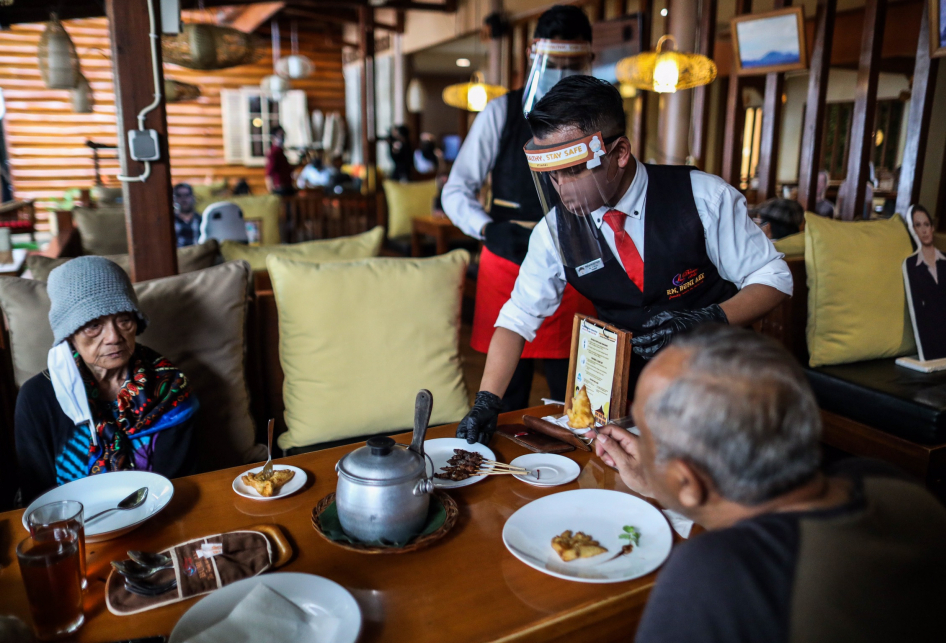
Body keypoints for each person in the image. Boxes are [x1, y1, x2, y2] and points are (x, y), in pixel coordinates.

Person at [455, 76, 791, 445]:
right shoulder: (556, 231)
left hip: (720, 383)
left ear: (619, 153)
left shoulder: (702, 197)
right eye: (552, 175)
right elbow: (518, 318)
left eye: (575, 170)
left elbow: (775, 277)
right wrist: (487, 400)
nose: (562, 188)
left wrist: (709, 318)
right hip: (626, 399)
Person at [594, 325, 946, 642]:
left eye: (646, 432)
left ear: (688, 480)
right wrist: (661, 483)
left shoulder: (715, 575)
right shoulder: (891, 484)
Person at [443, 5, 597, 415]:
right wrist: (486, 229)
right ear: (534, 54)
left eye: (573, 64)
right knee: (504, 392)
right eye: (554, 62)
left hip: (574, 261)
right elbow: (456, 190)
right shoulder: (501, 112)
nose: (562, 73)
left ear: (590, 61)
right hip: (506, 257)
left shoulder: (598, 119)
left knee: (574, 388)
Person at [15, 257, 198, 503]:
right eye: (93, 325)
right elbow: (37, 496)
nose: (114, 337)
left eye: (124, 320)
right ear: (69, 334)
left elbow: (181, 483)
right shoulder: (37, 398)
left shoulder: (168, 387)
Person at [904, 205, 946, 360]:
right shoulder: (910, 264)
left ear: (932, 228)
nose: (924, 230)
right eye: (918, 225)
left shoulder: (945, 260)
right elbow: (918, 310)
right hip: (930, 340)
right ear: (913, 230)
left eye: (926, 224)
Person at [265, 126, 295, 197]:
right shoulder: (274, 152)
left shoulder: (280, 152)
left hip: (287, 185)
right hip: (280, 187)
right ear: (273, 137)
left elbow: (286, 169)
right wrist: (271, 189)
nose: (282, 138)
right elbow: (269, 172)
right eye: (280, 135)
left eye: (283, 135)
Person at [172, 182, 201, 247]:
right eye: (179, 195)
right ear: (174, 199)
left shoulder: (202, 220)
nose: (183, 199)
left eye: (186, 195)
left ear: (193, 197)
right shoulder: (169, 221)